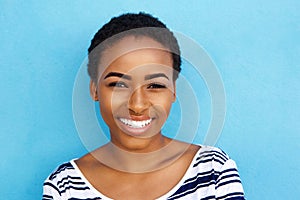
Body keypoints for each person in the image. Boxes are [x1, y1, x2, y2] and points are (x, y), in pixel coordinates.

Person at [43, 12, 245, 200]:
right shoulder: (65, 186)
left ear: (173, 90)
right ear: (95, 90)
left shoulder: (212, 172)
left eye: (155, 85)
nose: (137, 105)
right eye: (118, 84)